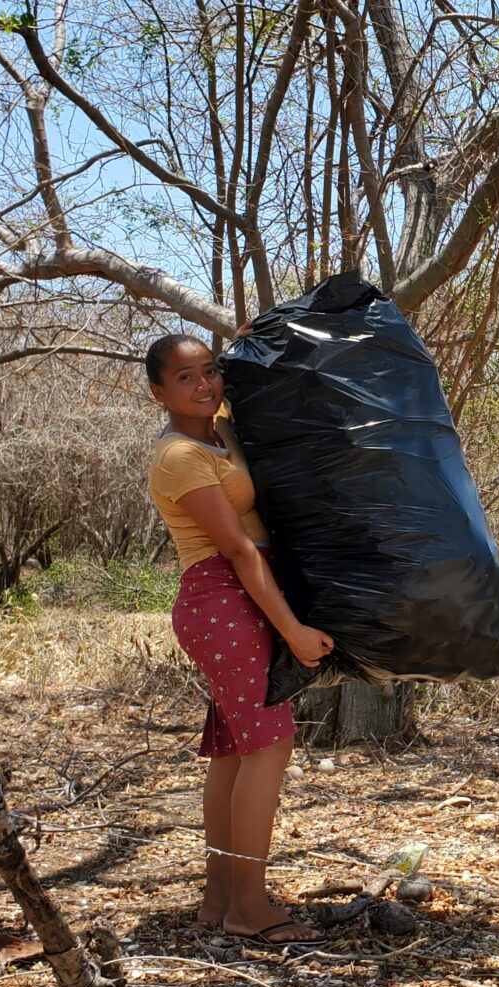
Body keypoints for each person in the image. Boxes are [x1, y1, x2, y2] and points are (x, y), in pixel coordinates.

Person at [146, 332, 334, 948]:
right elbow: (234, 550)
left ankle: (220, 895)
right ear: (157, 392)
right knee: (269, 747)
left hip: (242, 596)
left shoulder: (219, 432)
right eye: (185, 378)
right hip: (223, 598)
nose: (204, 385)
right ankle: (250, 909)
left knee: (234, 747)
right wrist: (294, 631)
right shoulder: (179, 457)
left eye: (210, 371)